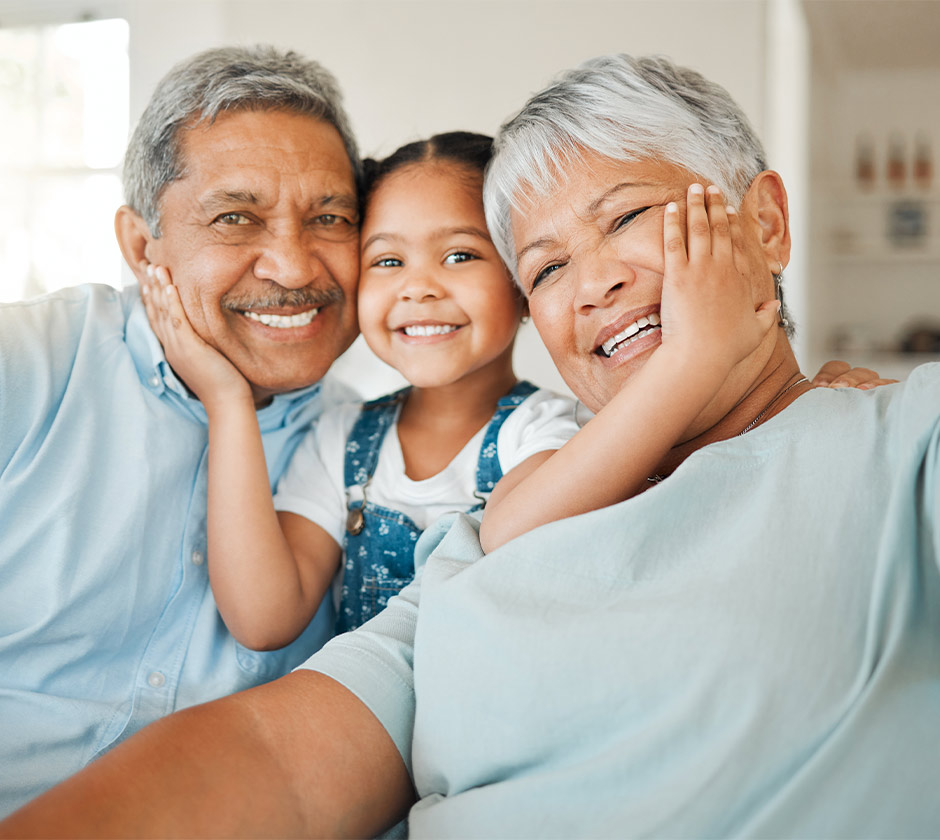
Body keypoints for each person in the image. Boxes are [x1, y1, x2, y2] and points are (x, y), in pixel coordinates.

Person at [0, 54, 921, 839]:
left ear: (763, 225)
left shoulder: (895, 449)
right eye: (549, 266)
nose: (592, 284)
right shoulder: (471, 543)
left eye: (629, 217)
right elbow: (276, 756)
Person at [0, 45, 363, 816]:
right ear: (142, 247)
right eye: (236, 218)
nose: (295, 267)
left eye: (330, 218)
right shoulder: (26, 365)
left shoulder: (367, 446)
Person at [138, 131, 581, 650]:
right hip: (365, 723)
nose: (418, 287)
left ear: (523, 278)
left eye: (460, 255)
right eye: (388, 261)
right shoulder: (343, 438)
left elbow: (514, 542)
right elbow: (264, 619)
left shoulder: (551, 431)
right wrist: (228, 401)